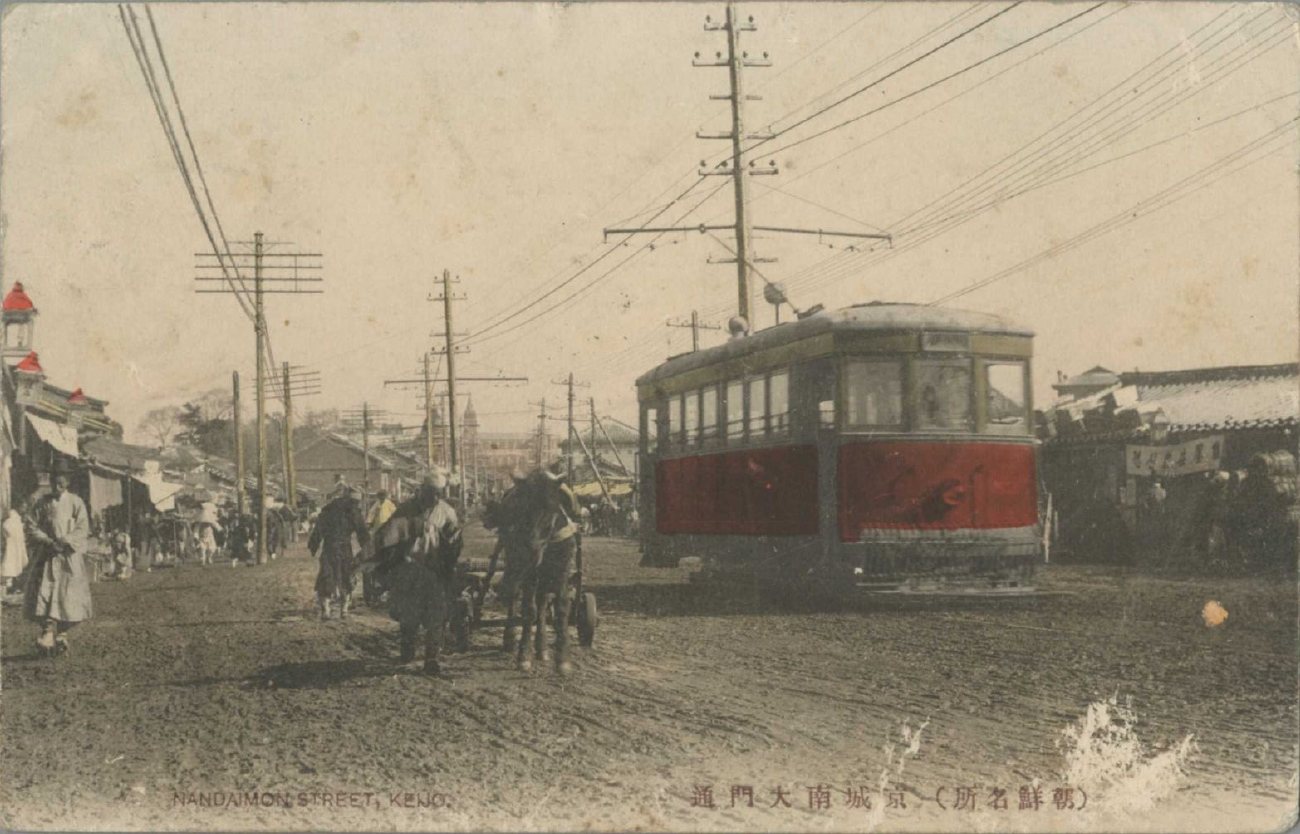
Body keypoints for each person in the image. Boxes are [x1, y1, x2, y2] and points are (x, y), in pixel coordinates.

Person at [382, 472, 462, 673]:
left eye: (438, 494)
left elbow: (456, 541)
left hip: (434, 572)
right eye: (431, 493)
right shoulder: (405, 510)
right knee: (409, 615)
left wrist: (449, 561)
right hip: (409, 570)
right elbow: (389, 539)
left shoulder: (446, 512)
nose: (434, 498)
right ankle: (407, 653)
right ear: (422, 491)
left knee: (436, 615)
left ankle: (431, 659)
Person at [24, 462, 93, 656]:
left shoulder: (75, 502)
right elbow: (31, 525)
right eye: (54, 483)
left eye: (60, 484)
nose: (56, 488)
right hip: (47, 555)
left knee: (67, 594)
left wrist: (65, 541)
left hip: (67, 556)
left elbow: (82, 527)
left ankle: (62, 634)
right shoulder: (42, 503)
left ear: (67, 483)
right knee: (44, 592)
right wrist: (46, 540)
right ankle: (46, 632)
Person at [308, 485, 369, 620]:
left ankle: (326, 610)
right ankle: (344, 610)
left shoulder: (328, 510)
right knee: (346, 576)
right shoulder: (353, 511)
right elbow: (362, 531)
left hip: (329, 548)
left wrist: (313, 546)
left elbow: (318, 530)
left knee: (326, 576)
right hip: (344, 548)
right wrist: (367, 547)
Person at [2, 508, 28, 594]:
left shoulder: (16, 520)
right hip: (11, 545)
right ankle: (9, 586)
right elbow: (6, 528)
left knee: (14, 564)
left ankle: (12, 586)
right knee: (10, 565)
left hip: (15, 544)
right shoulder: (12, 519)